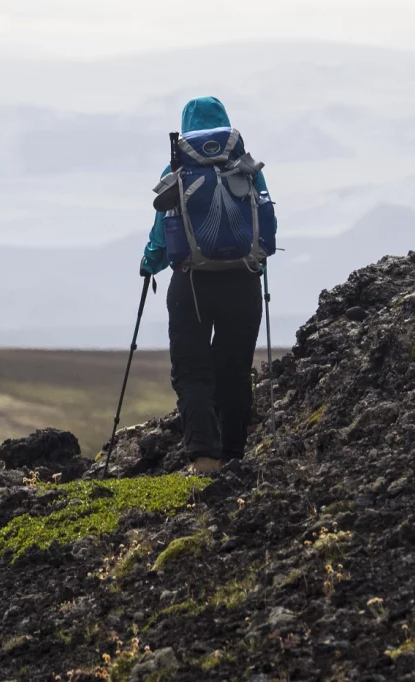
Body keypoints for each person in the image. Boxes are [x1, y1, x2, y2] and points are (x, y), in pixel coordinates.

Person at [140, 96, 273, 474]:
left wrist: (150, 263)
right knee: (234, 370)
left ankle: (203, 458)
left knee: (193, 371)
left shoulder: (178, 167)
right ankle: (234, 456)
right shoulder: (246, 165)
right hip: (244, 283)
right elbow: (265, 220)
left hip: (191, 286)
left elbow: (162, 233)